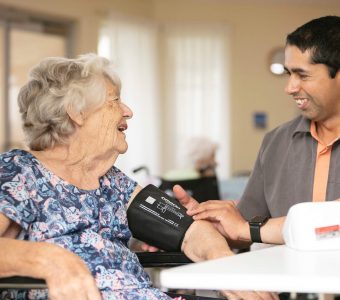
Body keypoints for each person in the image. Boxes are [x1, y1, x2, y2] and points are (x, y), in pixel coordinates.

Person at [0, 54, 277, 300]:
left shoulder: (113, 182)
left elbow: (191, 231)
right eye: (115, 100)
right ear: (77, 112)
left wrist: (225, 266)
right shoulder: (20, 171)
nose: (128, 111)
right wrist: (51, 260)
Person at [174, 15, 340, 249]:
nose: (290, 87)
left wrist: (246, 229)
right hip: (283, 283)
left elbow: (332, 225)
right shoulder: (276, 143)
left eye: (302, 75)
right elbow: (243, 230)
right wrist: (197, 225)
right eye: (288, 74)